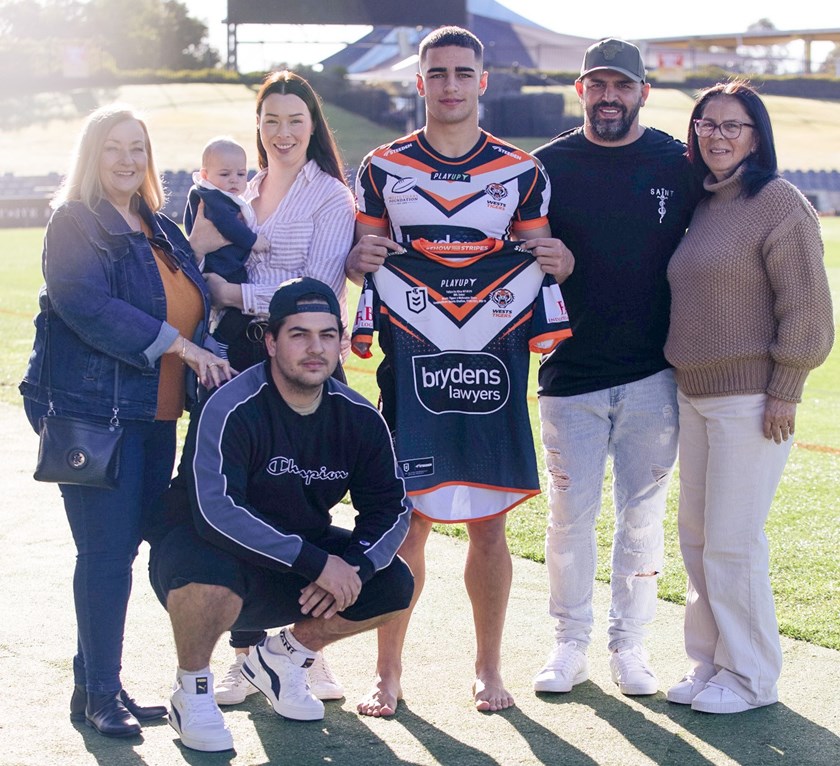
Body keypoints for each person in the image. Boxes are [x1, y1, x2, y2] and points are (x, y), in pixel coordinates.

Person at [346, 25, 574, 716]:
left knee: (488, 526)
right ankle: (388, 673)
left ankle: (488, 668)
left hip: (491, 372)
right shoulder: (381, 167)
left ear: (482, 82)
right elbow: (365, 253)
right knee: (407, 523)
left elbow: (539, 260)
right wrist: (361, 265)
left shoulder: (522, 172)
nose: (449, 85)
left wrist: (557, 267)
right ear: (419, 83)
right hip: (408, 372)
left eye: (461, 73)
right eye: (437, 73)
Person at [18, 104, 233, 739]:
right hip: (96, 416)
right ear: (92, 155)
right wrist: (179, 345)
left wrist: (207, 352)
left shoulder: (159, 226)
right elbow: (85, 305)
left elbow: (195, 312)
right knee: (106, 553)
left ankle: (93, 686)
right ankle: (103, 693)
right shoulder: (74, 222)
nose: (127, 159)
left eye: (137, 147)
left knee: (122, 550)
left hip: (156, 416)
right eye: (113, 147)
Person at [147, 278, 414, 752]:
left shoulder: (358, 416)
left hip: (292, 561)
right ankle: (192, 692)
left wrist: (353, 566)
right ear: (271, 341)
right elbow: (216, 510)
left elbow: (391, 508)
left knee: (393, 583)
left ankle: (283, 658)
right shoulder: (228, 403)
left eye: (327, 335)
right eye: (299, 335)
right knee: (205, 577)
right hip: (206, 552)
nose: (316, 349)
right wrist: (316, 563)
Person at [531, 39, 701, 697]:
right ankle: (568, 645)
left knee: (641, 519)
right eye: (597, 85)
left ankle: (630, 649)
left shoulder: (675, 162)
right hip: (570, 376)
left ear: (642, 93)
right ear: (581, 92)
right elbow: (516, 256)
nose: (608, 97)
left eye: (620, 86)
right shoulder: (545, 166)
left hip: (656, 376)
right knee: (569, 517)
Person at [663, 81, 834, 714]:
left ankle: (753, 677)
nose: (717, 135)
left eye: (732, 125)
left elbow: (809, 311)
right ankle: (711, 663)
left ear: (756, 136)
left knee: (733, 541)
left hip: (752, 398)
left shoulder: (779, 203)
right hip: (695, 394)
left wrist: (786, 389)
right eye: (706, 124)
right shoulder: (706, 204)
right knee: (698, 539)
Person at [195, 70, 355, 703]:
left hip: (307, 359)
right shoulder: (242, 189)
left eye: (295, 120)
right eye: (271, 121)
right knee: (244, 503)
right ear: (256, 128)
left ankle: (305, 653)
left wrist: (236, 292)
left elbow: (319, 289)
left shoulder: (330, 197)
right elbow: (200, 255)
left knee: (308, 503)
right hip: (238, 360)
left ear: (313, 125)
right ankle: (245, 652)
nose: (282, 132)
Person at [184, 136, 270, 358]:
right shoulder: (212, 198)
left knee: (239, 306)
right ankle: (220, 341)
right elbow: (227, 225)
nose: (234, 180)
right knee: (241, 305)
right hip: (223, 266)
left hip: (224, 263)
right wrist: (253, 241)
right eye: (225, 174)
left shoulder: (215, 195)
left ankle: (219, 339)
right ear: (205, 175)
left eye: (241, 174)